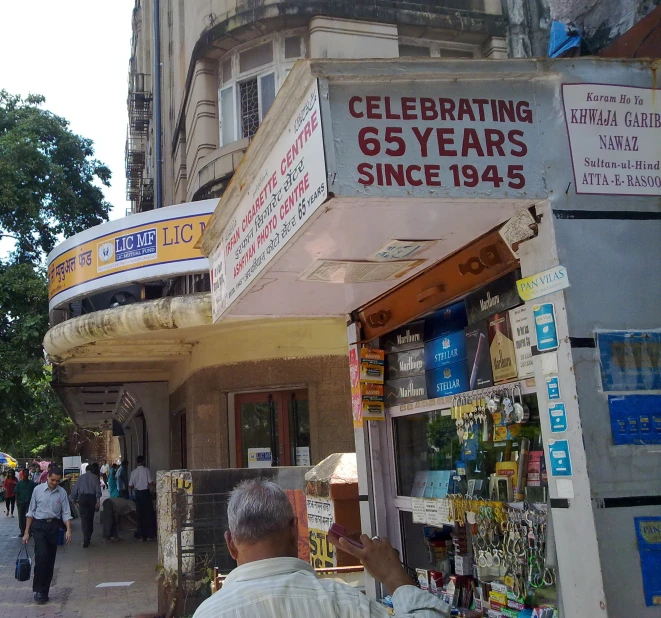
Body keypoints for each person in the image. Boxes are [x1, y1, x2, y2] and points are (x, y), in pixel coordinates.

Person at [192, 479, 449, 618]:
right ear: (294, 529)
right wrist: (394, 577)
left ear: (230, 544)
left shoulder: (210, 613)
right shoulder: (346, 604)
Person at [23, 466, 72, 605]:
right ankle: (38, 590)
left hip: (54, 527)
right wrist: (26, 532)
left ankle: (45, 591)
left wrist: (68, 529)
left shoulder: (61, 492)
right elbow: (30, 511)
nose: (55, 483)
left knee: (50, 560)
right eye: (52, 480)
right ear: (47, 477)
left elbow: (66, 512)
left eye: (57, 481)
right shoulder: (37, 490)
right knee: (41, 557)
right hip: (39, 526)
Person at [70, 462, 102, 548]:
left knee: (84, 519)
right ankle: (89, 537)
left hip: (83, 499)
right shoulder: (95, 477)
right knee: (90, 519)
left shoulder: (81, 478)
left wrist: (73, 499)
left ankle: (85, 538)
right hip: (92, 499)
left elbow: (75, 489)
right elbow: (98, 491)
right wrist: (98, 501)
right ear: (92, 470)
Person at [128, 456, 156, 541]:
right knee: (148, 514)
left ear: (136, 462)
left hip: (138, 494)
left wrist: (136, 486)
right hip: (145, 493)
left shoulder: (133, 472)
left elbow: (130, 485)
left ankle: (141, 536)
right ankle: (149, 535)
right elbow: (151, 483)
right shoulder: (147, 470)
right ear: (143, 461)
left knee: (139, 515)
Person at [16, 468, 36, 538]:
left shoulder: (32, 483)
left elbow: (35, 493)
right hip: (21, 502)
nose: (26, 474)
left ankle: (29, 531)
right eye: (25, 473)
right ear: (23, 474)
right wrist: (17, 502)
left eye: (27, 473)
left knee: (29, 517)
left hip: (29, 502)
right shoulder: (19, 483)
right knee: (21, 517)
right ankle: (22, 531)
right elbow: (16, 493)